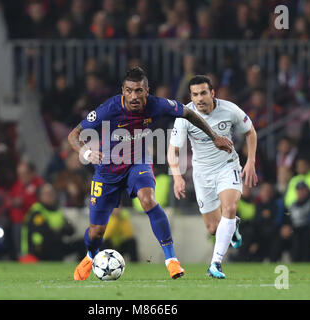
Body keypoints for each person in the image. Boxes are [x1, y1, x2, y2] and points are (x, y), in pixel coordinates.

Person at [68, 67, 233, 281]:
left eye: (138, 90)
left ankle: (171, 260)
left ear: (147, 91)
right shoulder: (109, 108)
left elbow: (189, 113)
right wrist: (86, 151)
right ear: (123, 91)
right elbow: (74, 135)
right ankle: (90, 256)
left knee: (148, 200)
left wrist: (214, 137)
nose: (134, 96)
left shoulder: (157, 104)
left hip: (138, 162)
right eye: (129, 91)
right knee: (96, 232)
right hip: (107, 170)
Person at [167, 75, 258, 278]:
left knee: (230, 207)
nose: (199, 98)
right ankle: (232, 226)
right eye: (195, 94)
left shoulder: (230, 110)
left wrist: (250, 161)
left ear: (212, 93)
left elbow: (250, 132)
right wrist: (177, 177)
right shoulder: (185, 116)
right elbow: (172, 151)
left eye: (203, 93)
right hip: (202, 173)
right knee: (212, 228)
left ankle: (215, 264)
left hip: (227, 166)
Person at [20, 183, 86, 261]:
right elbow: (44, 231)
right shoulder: (37, 211)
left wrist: (58, 230)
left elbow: (70, 230)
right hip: (39, 250)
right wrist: (60, 230)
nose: (50, 196)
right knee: (51, 243)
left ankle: (83, 268)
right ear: (40, 196)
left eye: (52, 193)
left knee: (83, 243)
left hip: (56, 245)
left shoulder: (57, 211)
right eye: (47, 194)